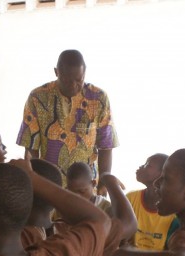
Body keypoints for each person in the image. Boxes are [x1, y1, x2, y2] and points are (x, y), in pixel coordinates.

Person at [17, 49, 118, 186]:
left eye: (78, 80)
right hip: (49, 184)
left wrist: (104, 184)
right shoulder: (38, 97)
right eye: (66, 80)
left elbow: (106, 146)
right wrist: (35, 182)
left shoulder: (98, 98)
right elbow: (31, 146)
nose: (73, 86)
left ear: (85, 73)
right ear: (56, 72)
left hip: (86, 187)